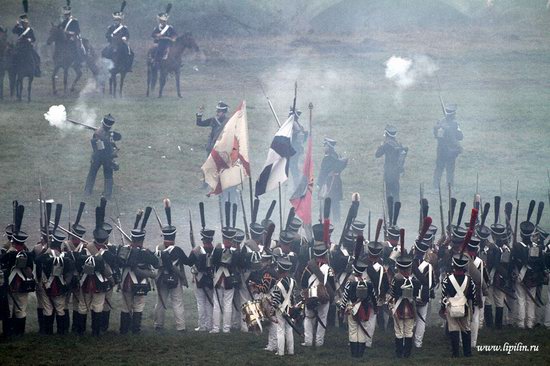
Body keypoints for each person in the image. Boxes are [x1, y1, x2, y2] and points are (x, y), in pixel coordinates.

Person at [119, 208, 159, 334]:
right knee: (139, 304)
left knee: (126, 305)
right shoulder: (146, 252)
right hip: (141, 281)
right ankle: (136, 329)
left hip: (126, 280)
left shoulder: (124, 249)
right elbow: (156, 263)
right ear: (142, 239)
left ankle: (124, 329)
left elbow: (119, 263)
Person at [154, 199, 190, 332]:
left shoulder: (158, 248)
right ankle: (181, 326)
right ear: (174, 237)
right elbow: (187, 262)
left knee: (161, 302)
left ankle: (158, 325)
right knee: (177, 302)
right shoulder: (178, 250)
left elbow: (156, 264)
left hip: (162, 278)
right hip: (176, 279)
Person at [440, 253, 477, 357]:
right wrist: (472, 309)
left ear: (454, 265)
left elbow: (443, 296)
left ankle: (455, 353)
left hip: (451, 307)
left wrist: (443, 308)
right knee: (466, 328)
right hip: (464, 307)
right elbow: (472, 297)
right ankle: (467, 352)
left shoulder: (447, 279)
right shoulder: (470, 280)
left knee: (453, 329)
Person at [340, 255, 376, 359]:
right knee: (362, 329)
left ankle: (354, 354)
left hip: (352, 308)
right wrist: (375, 307)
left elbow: (345, 296)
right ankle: (360, 353)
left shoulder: (350, 281)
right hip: (365, 309)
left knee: (353, 330)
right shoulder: (368, 283)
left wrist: (342, 309)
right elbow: (373, 296)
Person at [84, 114, 122, 199]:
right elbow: (118, 137)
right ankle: (107, 194)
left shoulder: (99, 133)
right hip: (108, 157)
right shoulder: (108, 133)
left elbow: (99, 148)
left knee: (92, 174)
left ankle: (88, 191)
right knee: (108, 176)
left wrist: (103, 135)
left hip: (99, 157)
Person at [188, 227, 215, 332]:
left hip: (199, 279)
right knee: (209, 302)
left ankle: (202, 325)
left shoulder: (197, 250)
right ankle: (209, 325)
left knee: (201, 302)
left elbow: (189, 262)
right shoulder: (216, 250)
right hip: (211, 279)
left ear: (203, 239)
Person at [271, 255, 296, 357]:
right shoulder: (293, 282)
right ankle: (291, 351)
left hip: (280, 310)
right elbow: (293, 296)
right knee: (289, 330)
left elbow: (276, 301)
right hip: (289, 308)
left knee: (280, 330)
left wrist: (272, 311)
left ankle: (280, 352)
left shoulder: (277, 285)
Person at [317, 138, 348, 223]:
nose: (324, 148)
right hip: (335, 183)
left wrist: (319, 183)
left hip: (330, 183)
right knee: (334, 204)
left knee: (330, 203)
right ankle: (334, 222)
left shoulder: (328, 158)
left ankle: (327, 222)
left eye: (325, 146)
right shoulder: (334, 156)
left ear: (329, 147)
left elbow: (323, 172)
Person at [433, 104, 463, 188]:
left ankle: (435, 186)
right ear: (453, 114)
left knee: (439, 169)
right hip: (451, 151)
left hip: (441, 150)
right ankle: (450, 187)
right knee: (450, 170)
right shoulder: (455, 124)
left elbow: (436, 136)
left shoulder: (440, 122)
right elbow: (460, 137)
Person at [375, 125, 407, 202]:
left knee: (389, 195)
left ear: (386, 134)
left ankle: (390, 211)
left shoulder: (386, 145)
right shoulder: (398, 144)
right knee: (396, 194)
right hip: (396, 172)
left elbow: (377, 154)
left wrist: (381, 145)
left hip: (389, 172)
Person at [103, 4, 133, 71]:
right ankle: (105, 66)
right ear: (114, 20)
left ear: (120, 20)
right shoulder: (111, 27)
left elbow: (127, 35)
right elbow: (107, 35)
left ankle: (128, 66)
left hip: (122, 43)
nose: (117, 21)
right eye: (116, 20)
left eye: (118, 20)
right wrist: (111, 36)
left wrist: (125, 38)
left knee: (130, 52)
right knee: (104, 52)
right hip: (112, 43)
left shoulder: (124, 28)